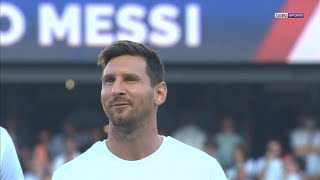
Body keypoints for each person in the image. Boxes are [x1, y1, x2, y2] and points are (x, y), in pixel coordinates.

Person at [52, 40, 226, 179]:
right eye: (109, 80)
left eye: (130, 79)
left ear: (159, 92)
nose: (116, 89)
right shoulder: (70, 175)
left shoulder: (202, 171)